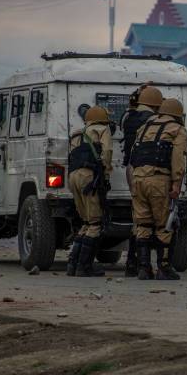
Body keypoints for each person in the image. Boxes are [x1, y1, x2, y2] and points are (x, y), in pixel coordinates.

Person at [130, 98, 187, 281]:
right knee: (164, 225)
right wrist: (177, 183)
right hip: (159, 180)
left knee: (143, 224)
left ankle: (143, 268)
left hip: (138, 180)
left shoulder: (144, 127)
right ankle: (163, 268)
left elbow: (133, 156)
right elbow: (178, 159)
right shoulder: (177, 130)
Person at [121, 85, 163, 277]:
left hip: (131, 169)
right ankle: (149, 264)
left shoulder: (128, 117)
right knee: (154, 220)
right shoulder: (153, 120)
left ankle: (133, 262)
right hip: (149, 169)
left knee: (137, 217)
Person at [67, 106, 113, 277]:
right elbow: (107, 152)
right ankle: (84, 266)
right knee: (95, 223)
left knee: (86, 222)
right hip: (89, 177)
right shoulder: (103, 129)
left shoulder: (77, 134)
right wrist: (106, 174)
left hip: (73, 177)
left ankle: (72, 265)